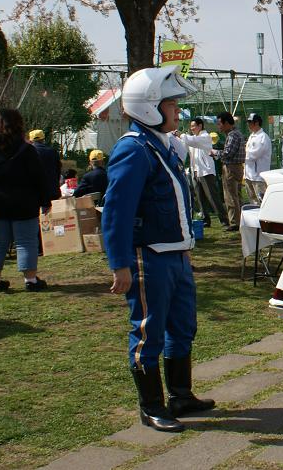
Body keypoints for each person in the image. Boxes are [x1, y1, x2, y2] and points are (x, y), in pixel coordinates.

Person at [103, 66, 214, 433]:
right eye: (171, 105)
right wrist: (120, 263)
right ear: (149, 106)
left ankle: (180, 395)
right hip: (149, 256)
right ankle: (150, 406)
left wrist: (184, 247)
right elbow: (117, 211)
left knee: (182, 327)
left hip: (175, 254)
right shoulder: (134, 150)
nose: (178, 112)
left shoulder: (162, 145)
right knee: (149, 331)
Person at [0, 109, 52, 292]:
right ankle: (30, 280)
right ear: (19, 125)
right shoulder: (27, 150)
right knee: (26, 241)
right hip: (25, 202)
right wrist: (45, 201)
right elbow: (39, 177)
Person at [179, 118, 229, 228]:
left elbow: (193, 141)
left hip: (206, 172)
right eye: (191, 126)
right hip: (195, 171)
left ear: (200, 126)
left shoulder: (205, 136)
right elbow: (186, 145)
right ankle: (205, 220)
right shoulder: (193, 138)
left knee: (212, 197)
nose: (192, 128)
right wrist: (178, 137)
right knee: (200, 198)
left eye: (194, 126)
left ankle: (224, 220)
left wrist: (181, 135)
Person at [215, 112, 244, 231]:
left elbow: (228, 153)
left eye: (219, 124)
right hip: (237, 167)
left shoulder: (232, 135)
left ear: (226, 123)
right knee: (236, 195)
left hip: (231, 168)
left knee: (230, 195)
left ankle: (235, 222)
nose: (218, 126)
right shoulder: (237, 133)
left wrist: (215, 153)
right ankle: (240, 220)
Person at [243, 113, 272, 205]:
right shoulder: (252, 136)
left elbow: (254, 154)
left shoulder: (263, 137)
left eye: (250, 122)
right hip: (249, 175)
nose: (248, 125)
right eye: (248, 122)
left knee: (262, 202)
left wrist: (242, 154)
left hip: (258, 177)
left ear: (257, 123)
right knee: (253, 202)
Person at [28, 129, 62, 202]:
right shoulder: (52, 152)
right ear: (43, 139)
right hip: (52, 191)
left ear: (30, 140)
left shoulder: (27, 153)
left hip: (35, 194)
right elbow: (58, 170)